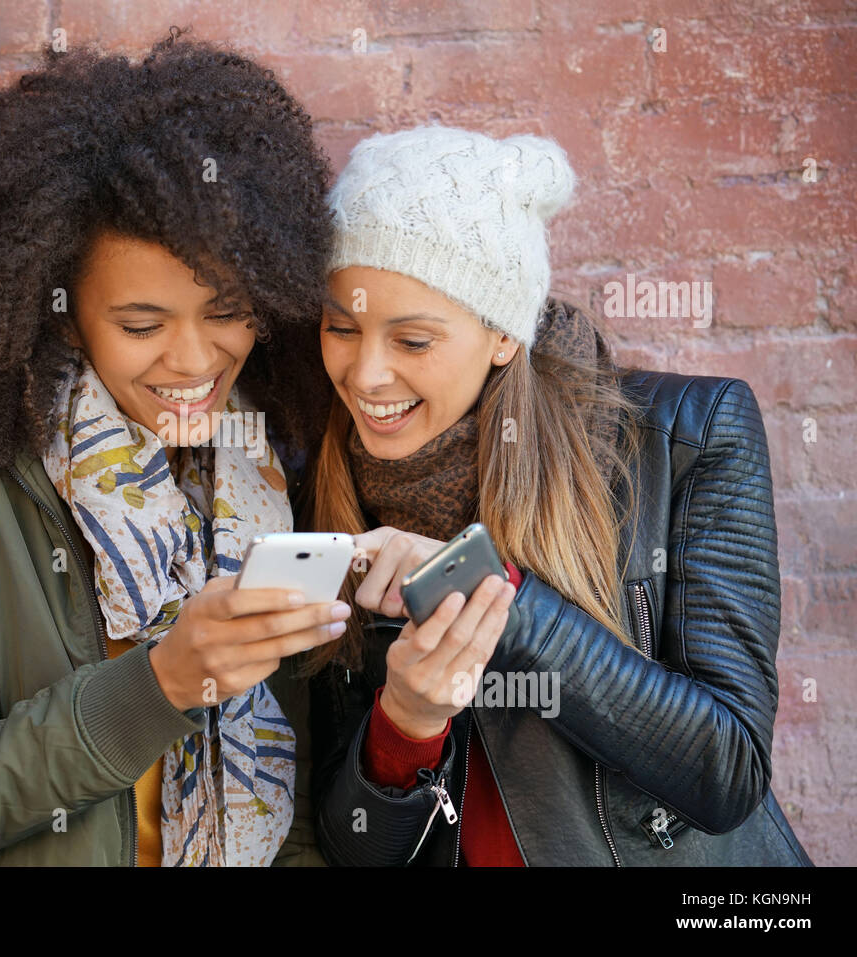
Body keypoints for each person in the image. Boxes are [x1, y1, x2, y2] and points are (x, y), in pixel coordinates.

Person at [0, 30, 343, 866]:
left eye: (226, 313)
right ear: (62, 310)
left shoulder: (257, 470)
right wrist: (161, 687)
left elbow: (283, 800)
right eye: (141, 324)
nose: (194, 361)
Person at [301, 124, 813, 866]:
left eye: (412, 341)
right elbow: (353, 852)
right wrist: (404, 723)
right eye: (340, 328)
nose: (366, 375)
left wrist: (487, 591)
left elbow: (725, 769)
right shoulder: (330, 489)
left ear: (504, 334)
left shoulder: (687, 440)